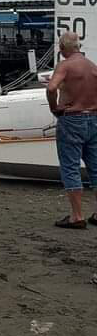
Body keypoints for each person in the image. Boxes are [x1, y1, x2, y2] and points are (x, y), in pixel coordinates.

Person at [47, 31, 97, 230]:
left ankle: (77, 216)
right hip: (93, 119)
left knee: (70, 167)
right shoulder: (92, 66)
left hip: (72, 119)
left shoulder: (65, 65)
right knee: (96, 167)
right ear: (78, 46)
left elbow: (51, 88)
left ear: (62, 48)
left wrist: (54, 107)